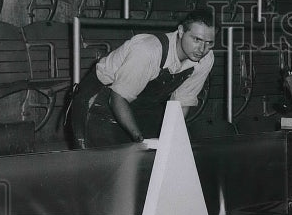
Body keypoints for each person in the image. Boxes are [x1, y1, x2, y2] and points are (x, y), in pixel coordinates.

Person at [70, 8, 216, 148]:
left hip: (140, 106)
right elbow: (117, 99)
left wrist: (170, 136)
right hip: (100, 103)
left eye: (209, 42)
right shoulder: (148, 51)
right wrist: (139, 139)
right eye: (197, 39)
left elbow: (181, 103)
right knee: (105, 167)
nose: (202, 49)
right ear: (181, 31)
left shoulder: (205, 59)